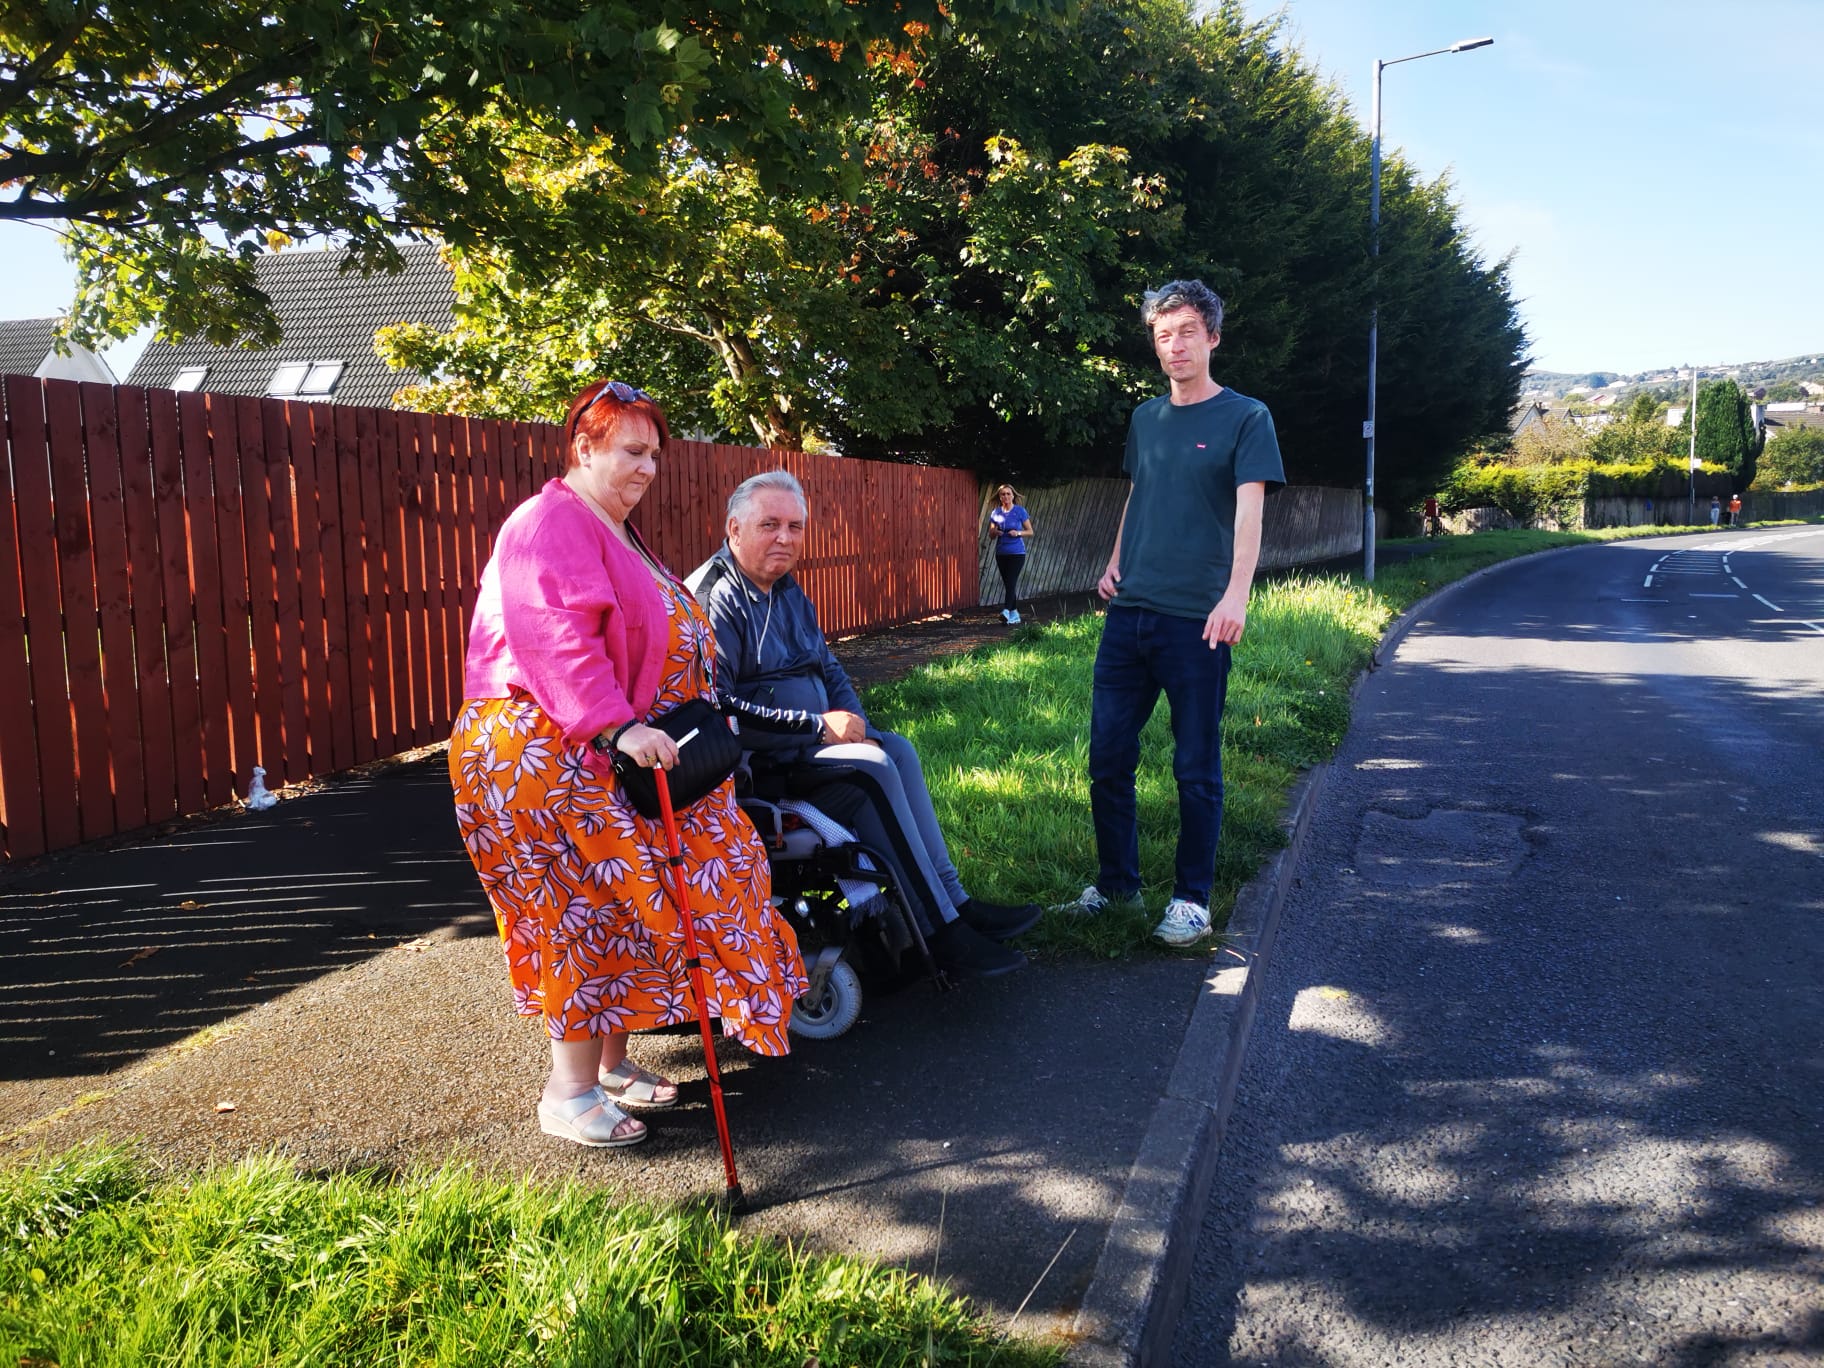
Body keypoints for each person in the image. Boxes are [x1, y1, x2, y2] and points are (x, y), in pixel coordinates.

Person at [449, 380, 808, 1149]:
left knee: (632, 906)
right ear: (585, 447)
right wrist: (614, 725)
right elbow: (554, 629)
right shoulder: (549, 520)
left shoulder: (610, 524)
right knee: (580, 914)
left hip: (597, 748)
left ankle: (608, 1067)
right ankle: (566, 1092)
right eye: (631, 451)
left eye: (654, 453)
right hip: (543, 754)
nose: (648, 467)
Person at [687, 470, 1042, 978]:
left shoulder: (786, 587)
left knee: (893, 748)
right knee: (870, 769)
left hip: (805, 747)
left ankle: (954, 902)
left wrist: (859, 723)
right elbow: (717, 708)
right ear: (734, 529)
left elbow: (827, 667)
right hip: (759, 765)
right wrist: (815, 727)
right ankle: (940, 934)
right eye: (770, 525)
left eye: (795, 526)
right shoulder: (714, 598)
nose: (784, 538)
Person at [1060, 279, 1285, 946]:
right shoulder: (1145, 420)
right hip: (1130, 616)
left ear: (1212, 337)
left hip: (1198, 620)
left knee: (1195, 766)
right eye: (1163, 334)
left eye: (1187, 331)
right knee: (1107, 758)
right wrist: (1113, 560)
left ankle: (1192, 900)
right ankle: (1116, 884)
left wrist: (1236, 595)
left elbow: (1250, 513)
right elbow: (1139, 493)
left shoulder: (1247, 417)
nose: (1175, 344)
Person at [986, 484, 1035, 623]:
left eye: (1008, 494)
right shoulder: (995, 513)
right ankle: (1014, 614)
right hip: (1001, 553)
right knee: (1008, 584)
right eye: (1003, 494)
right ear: (1000, 497)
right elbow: (990, 535)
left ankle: (1006, 611)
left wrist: (1018, 532)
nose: (1006, 496)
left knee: (1012, 581)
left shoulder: (1020, 511)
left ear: (1013, 496)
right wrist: (995, 532)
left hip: (1017, 553)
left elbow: (1030, 531)